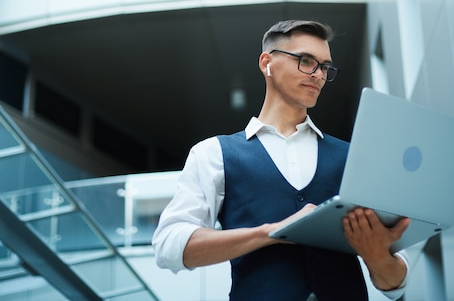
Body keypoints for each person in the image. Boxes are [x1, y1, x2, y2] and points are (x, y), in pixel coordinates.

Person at [152, 20, 411, 301]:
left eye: (324, 67)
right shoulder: (214, 153)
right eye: (305, 61)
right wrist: (274, 231)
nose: (318, 75)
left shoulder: (353, 157)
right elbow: (169, 245)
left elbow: (395, 284)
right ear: (267, 63)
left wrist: (377, 257)